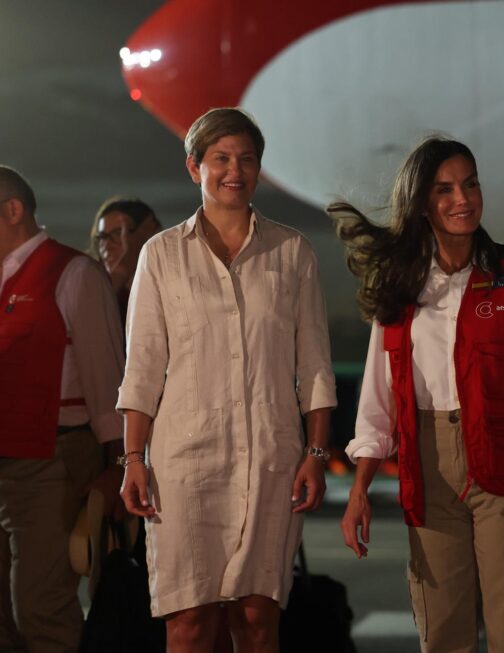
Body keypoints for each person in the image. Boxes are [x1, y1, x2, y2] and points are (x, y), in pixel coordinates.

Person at [331, 131, 504, 653]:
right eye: (446, 190)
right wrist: (359, 489)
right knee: (444, 629)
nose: (463, 199)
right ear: (423, 204)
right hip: (428, 469)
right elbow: (378, 403)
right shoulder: (400, 288)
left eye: (470, 184)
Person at [116, 108, 337, 652]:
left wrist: (315, 451)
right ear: (195, 168)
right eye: (220, 159)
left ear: (259, 169)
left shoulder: (292, 253)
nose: (233, 170)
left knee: (258, 620)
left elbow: (314, 365)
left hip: (271, 459)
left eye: (246, 159)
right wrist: (133, 460)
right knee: (188, 623)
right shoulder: (161, 256)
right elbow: (142, 368)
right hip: (184, 465)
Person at [0, 165, 126, 652]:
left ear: (14, 211)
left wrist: (118, 466)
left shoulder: (74, 273)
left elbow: (110, 383)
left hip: (49, 464)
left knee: (39, 606)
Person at [88, 196, 162, 321]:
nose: (107, 245)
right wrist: (122, 270)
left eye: (117, 234)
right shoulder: (88, 283)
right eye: (103, 237)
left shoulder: (161, 289)